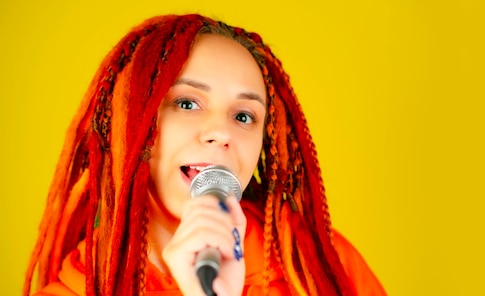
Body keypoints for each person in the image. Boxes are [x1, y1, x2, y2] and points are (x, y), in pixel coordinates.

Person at [23, 13, 385, 296]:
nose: (221, 132)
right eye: (187, 103)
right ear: (134, 123)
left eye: (243, 116)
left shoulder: (325, 270)